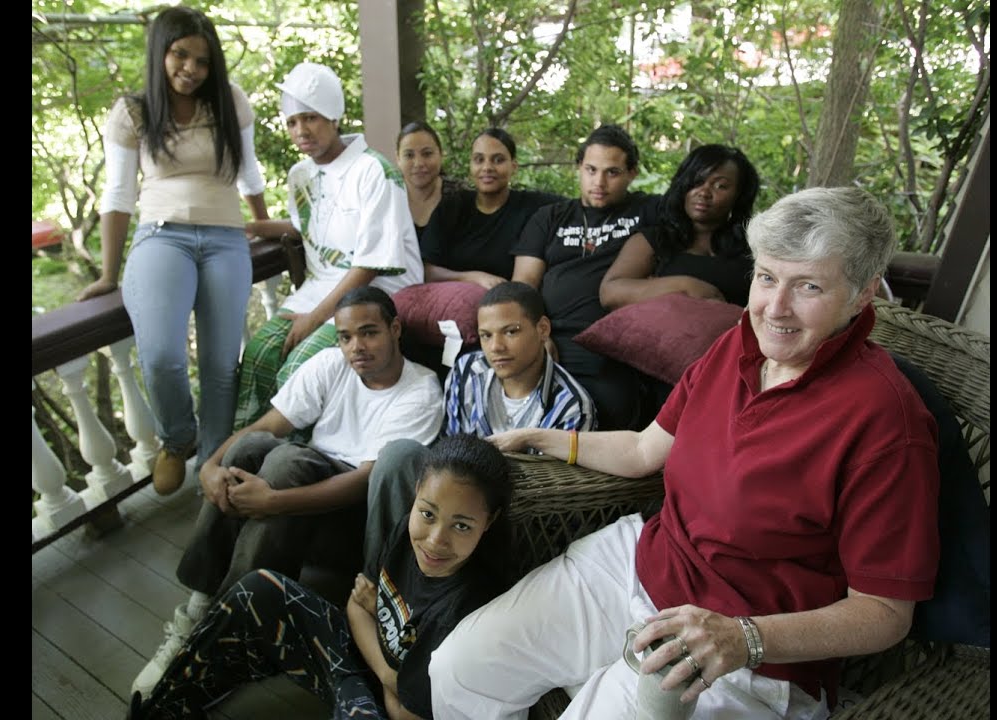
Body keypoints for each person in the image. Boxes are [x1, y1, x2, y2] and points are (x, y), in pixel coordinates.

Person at [430, 187, 941, 720]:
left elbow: (885, 612)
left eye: (808, 286)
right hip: (641, 566)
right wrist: (540, 436)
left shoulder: (886, 421)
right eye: (766, 278)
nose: (775, 308)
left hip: (747, 652)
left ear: (861, 296)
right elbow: (644, 449)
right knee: (457, 672)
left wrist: (745, 638)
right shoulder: (737, 345)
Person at [132, 287, 443, 698]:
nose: (356, 347)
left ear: (395, 328)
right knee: (246, 450)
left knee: (287, 463)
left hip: (353, 522)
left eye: (368, 333)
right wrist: (210, 466)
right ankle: (200, 611)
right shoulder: (332, 365)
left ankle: (227, 634)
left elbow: (365, 482)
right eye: (346, 337)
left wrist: (273, 500)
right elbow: (267, 426)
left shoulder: (421, 390)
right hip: (303, 498)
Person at [127, 434, 515, 720]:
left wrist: (380, 657)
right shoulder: (406, 533)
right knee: (260, 587)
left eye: (461, 526)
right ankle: (163, 708)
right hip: (361, 666)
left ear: (489, 522)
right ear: (416, 494)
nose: (435, 540)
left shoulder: (469, 607)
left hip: (380, 706)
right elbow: (353, 603)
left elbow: (404, 711)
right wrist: (387, 668)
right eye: (427, 513)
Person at [77, 5, 269, 495]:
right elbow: (118, 194)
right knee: (160, 354)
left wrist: (262, 218)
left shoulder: (229, 101)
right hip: (163, 235)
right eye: (180, 55)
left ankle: (213, 462)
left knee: (222, 362)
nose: (190, 69)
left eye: (202, 61)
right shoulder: (134, 110)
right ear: (161, 51)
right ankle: (177, 439)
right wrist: (107, 272)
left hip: (226, 236)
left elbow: (248, 171)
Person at [236, 62, 422, 429]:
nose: (300, 130)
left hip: (373, 290)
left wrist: (314, 319)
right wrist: (253, 226)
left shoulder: (374, 171)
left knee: (300, 365)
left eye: (311, 118)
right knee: (257, 355)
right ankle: (246, 450)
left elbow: (369, 265)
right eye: (292, 122)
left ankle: (295, 460)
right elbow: (309, 226)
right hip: (319, 289)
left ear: (334, 117)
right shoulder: (300, 174)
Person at [363, 281, 596, 568]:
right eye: (486, 336)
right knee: (398, 455)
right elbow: (448, 447)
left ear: (542, 329)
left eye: (511, 332)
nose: (496, 347)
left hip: (511, 520)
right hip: (449, 495)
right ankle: (378, 577)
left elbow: (557, 507)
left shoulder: (571, 405)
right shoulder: (467, 370)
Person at [511, 124, 663, 430]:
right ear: (579, 167)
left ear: (632, 173)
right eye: (591, 169)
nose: (599, 182)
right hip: (551, 338)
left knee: (611, 405)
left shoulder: (649, 211)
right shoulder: (550, 217)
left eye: (613, 172)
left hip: (613, 345)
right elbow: (523, 283)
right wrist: (537, 336)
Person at [599, 144, 760, 309]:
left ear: (739, 195)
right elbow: (610, 292)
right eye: (696, 182)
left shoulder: (754, 249)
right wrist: (685, 286)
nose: (703, 192)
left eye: (720, 186)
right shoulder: (653, 240)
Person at [421, 128, 563, 288]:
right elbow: (427, 271)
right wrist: (473, 277)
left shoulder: (533, 206)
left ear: (514, 167)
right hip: (453, 303)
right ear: (470, 165)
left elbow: (578, 207)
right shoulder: (453, 207)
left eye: (498, 160)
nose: (487, 167)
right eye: (479, 159)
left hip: (509, 304)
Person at [396, 121, 460, 238]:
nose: (419, 163)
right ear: (398, 159)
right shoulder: (388, 199)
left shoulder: (462, 197)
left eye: (427, 154)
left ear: (441, 155)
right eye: (409, 155)